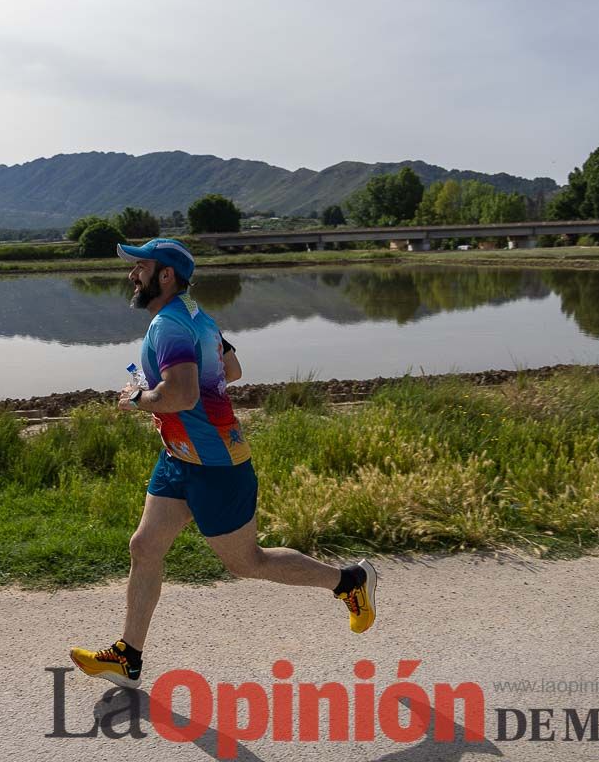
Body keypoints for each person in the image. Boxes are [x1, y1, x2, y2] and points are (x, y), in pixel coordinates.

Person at [69, 238, 377, 689]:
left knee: (247, 562)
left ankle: (349, 581)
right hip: (180, 456)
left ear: (166, 275)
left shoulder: (169, 326)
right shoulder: (198, 317)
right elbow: (231, 370)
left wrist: (139, 398)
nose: (132, 275)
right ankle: (127, 658)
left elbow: (184, 395)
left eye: (141, 267)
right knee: (145, 546)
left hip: (215, 465)